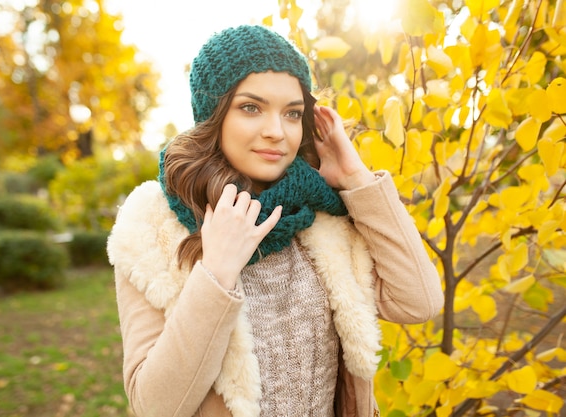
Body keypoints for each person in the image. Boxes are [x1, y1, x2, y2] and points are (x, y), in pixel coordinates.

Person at [107, 24, 444, 417]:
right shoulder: (153, 223)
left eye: (292, 114)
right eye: (251, 107)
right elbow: (155, 406)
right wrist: (216, 272)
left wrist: (356, 179)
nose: (276, 132)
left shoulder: (319, 212)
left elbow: (418, 301)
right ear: (213, 115)